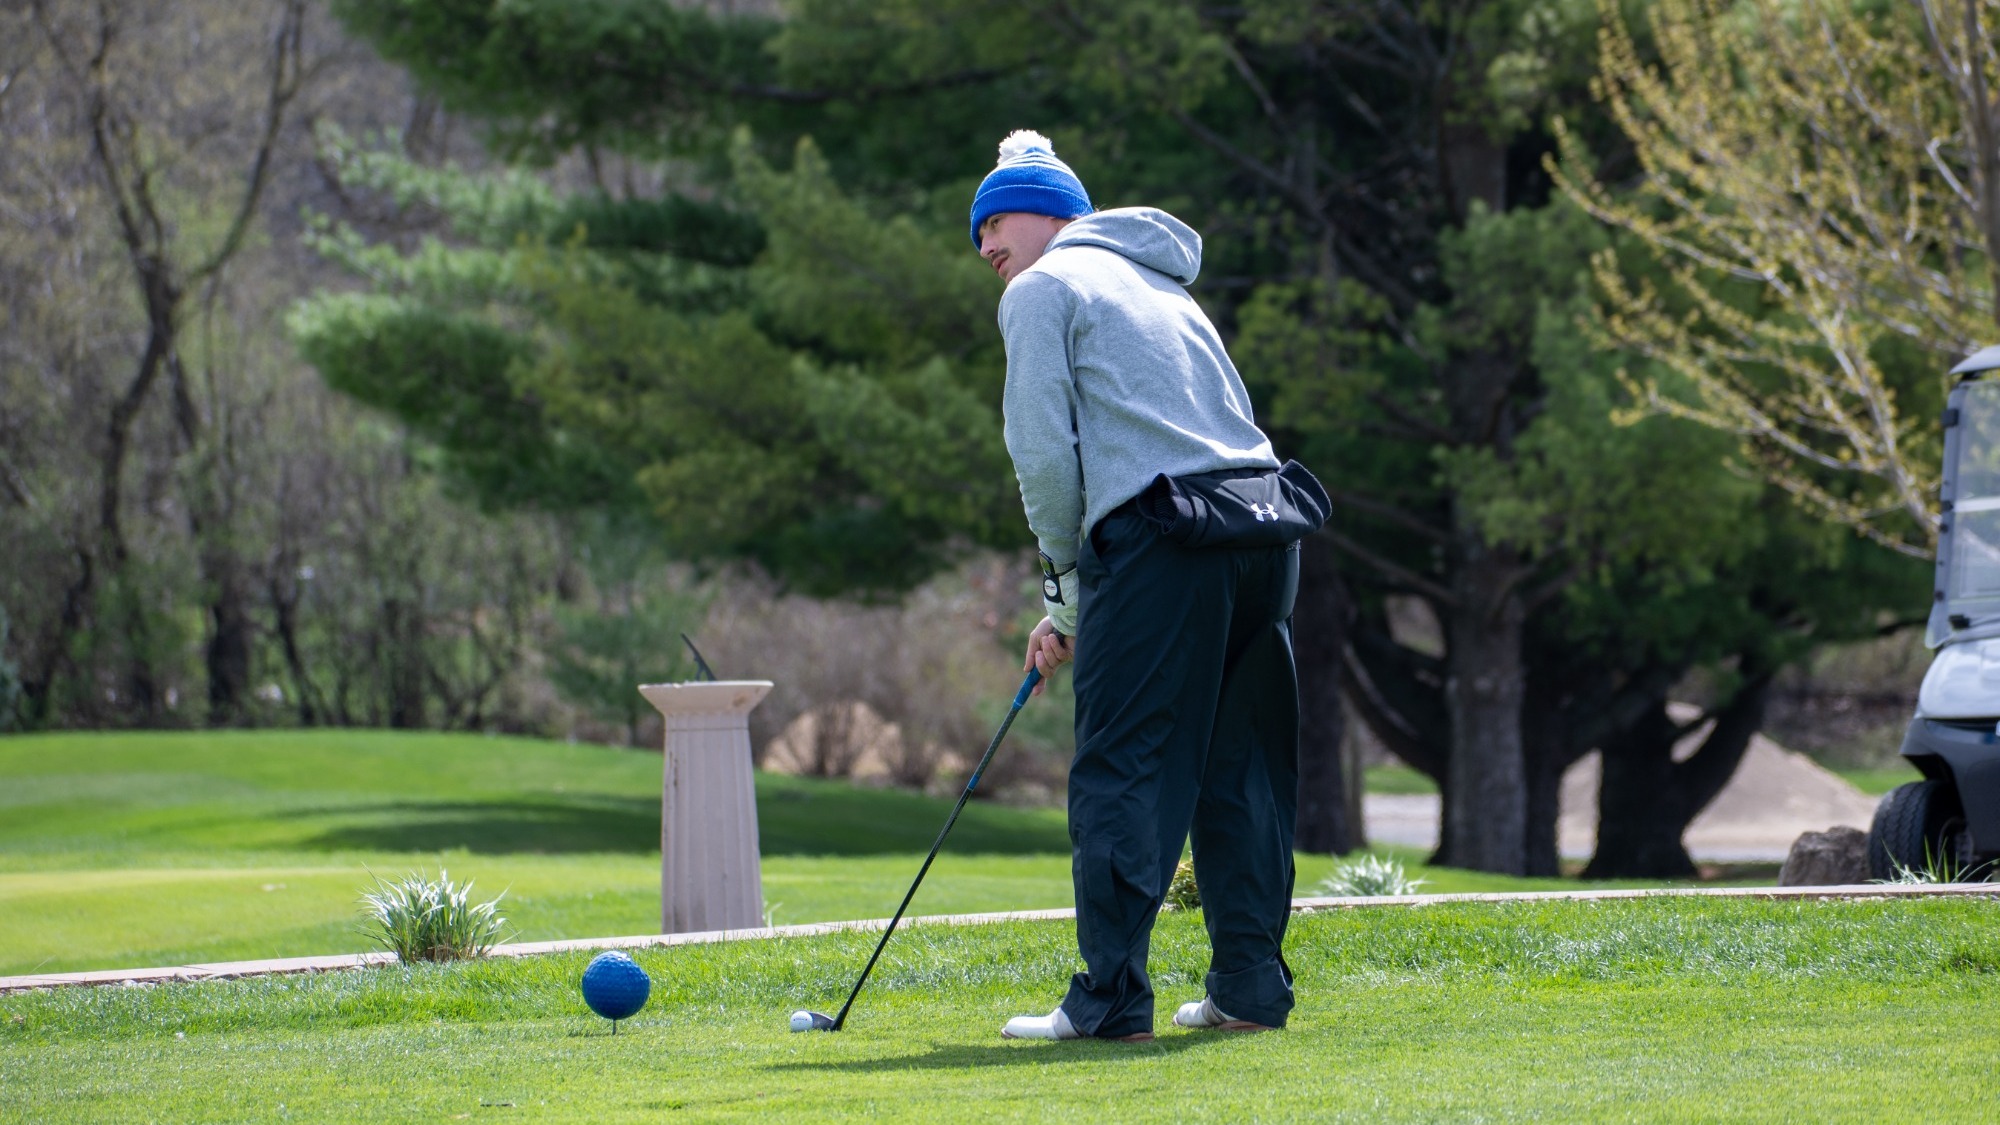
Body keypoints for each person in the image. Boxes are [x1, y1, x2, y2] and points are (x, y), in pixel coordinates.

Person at [973, 130, 1304, 1041]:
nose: (989, 247)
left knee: (1125, 764)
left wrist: (1063, 595)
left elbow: (1043, 457)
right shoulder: (1162, 284)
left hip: (1161, 539)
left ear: (1051, 213)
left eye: (997, 220)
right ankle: (1249, 987)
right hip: (1263, 531)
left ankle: (1111, 999)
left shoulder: (1042, 291)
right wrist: (1075, 601)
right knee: (1241, 767)